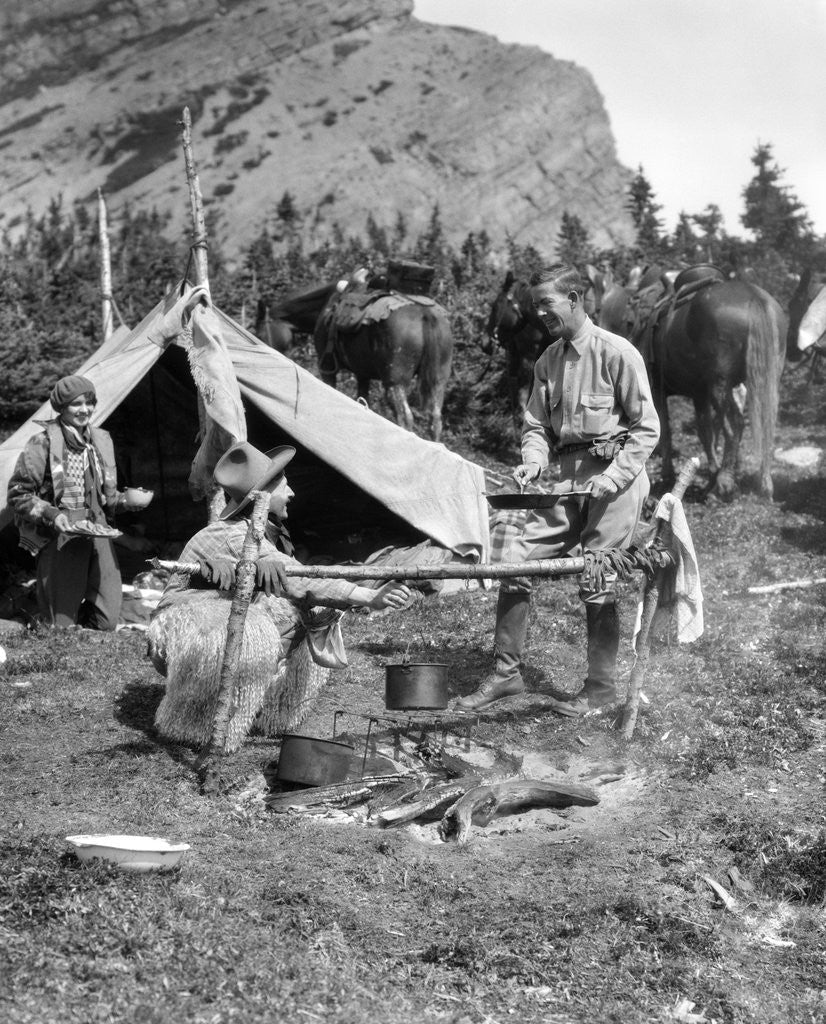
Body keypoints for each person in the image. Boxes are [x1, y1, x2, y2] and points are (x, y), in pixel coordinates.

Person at [458, 264, 660, 716]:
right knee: (513, 562)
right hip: (564, 482)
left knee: (597, 574)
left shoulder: (616, 352)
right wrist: (533, 461)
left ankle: (601, 689)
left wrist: (612, 477)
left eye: (546, 305)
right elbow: (535, 426)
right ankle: (507, 675)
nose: (540, 314)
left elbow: (647, 429)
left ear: (573, 299)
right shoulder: (548, 360)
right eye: (535, 308)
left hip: (614, 481)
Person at [148, 442, 411, 748]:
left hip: (205, 627)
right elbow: (299, 579)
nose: (292, 493)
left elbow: (297, 578)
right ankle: (199, 721)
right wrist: (368, 596)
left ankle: (263, 708)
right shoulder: (235, 535)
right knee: (279, 616)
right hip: (180, 635)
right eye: (285, 486)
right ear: (263, 496)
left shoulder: (256, 532)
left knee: (303, 612)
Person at [7, 374, 150, 630]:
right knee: (59, 625)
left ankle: (82, 625)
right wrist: (52, 514)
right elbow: (19, 494)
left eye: (90, 402)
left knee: (107, 619)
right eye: (76, 404)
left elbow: (107, 498)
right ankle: (55, 626)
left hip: (98, 531)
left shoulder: (99, 441)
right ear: (62, 407)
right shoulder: (43, 443)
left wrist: (126, 502)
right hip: (61, 534)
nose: (85, 410)